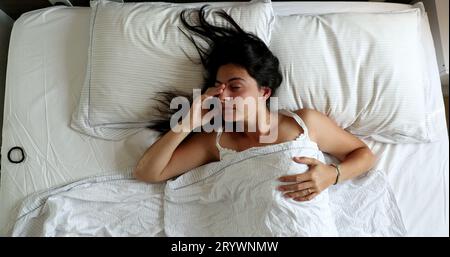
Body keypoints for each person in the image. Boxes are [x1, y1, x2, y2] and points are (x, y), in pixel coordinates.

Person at [134, 6, 376, 202]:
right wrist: (188, 122)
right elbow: (148, 172)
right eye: (218, 86)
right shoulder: (216, 141)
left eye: (235, 86)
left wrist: (332, 175)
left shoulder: (305, 124)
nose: (223, 95)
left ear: (264, 92)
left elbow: (364, 155)